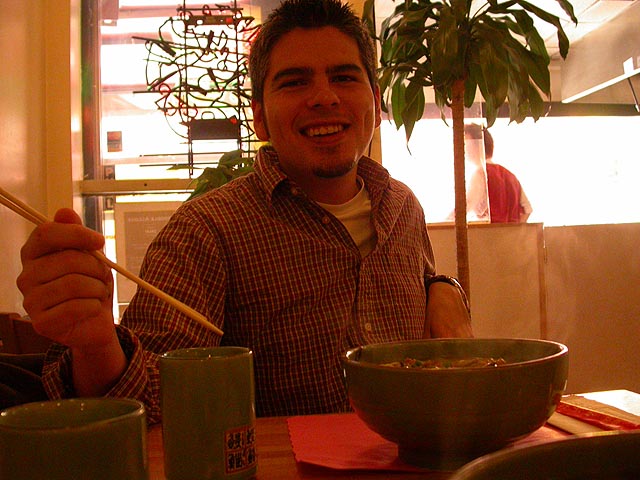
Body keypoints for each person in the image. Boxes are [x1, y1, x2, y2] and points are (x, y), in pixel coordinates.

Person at [16, 0, 472, 422]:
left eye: (344, 77)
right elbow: (152, 400)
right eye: (294, 82)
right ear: (259, 117)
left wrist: (444, 287)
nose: (324, 97)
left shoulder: (402, 207)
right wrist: (95, 343)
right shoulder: (205, 231)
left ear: (374, 99)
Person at [483, 128, 532, 223]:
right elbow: (527, 210)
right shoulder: (510, 175)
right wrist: (514, 230)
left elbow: (465, 210)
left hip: (486, 231)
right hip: (510, 231)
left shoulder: (480, 174)